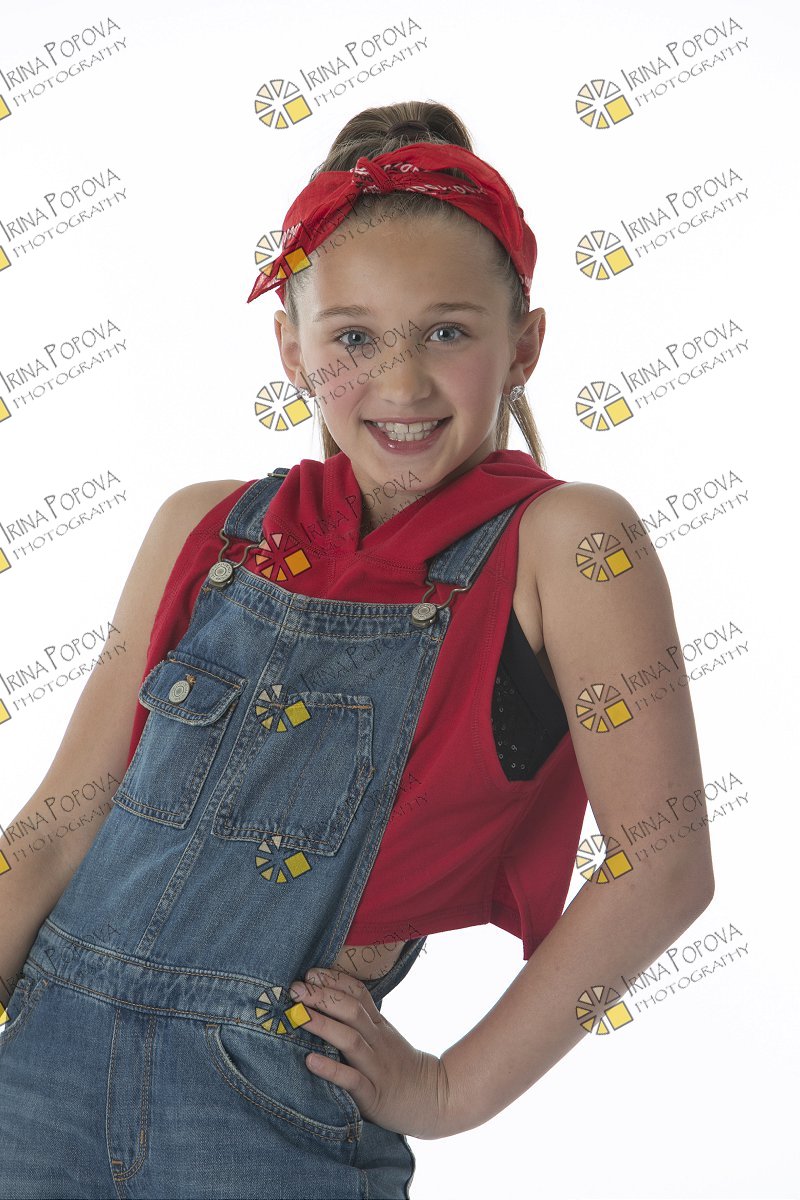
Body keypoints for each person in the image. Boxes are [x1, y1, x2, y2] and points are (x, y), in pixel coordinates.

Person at [0, 100, 715, 1199]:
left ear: (524, 344)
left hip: (264, 1117)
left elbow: (662, 863)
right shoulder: (205, 526)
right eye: (353, 338)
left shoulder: (568, 545)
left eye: (447, 332)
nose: (401, 382)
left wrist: (450, 1090)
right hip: (32, 1080)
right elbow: (56, 829)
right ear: (291, 349)